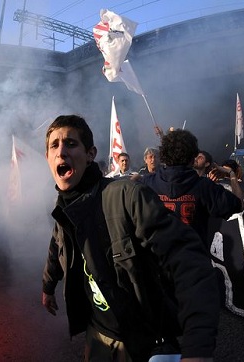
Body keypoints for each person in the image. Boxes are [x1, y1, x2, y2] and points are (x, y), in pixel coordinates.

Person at [42, 115, 218, 362]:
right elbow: (57, 244)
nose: (61, 152)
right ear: (47, 158)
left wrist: (197, 349)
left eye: (71, 144)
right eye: (54, 146)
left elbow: (190, 263)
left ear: (90, 153)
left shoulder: (126, 195)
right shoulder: (65, 207)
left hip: (140, 340)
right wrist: (48, 286)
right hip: (97, 335)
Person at [138, 129, 244, 243]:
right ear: (192, 156)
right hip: (192, 256)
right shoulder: (204, 187)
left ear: (163, 153)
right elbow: (239, 204)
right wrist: (231, 174)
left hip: (158, 256)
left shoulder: (146, 183)